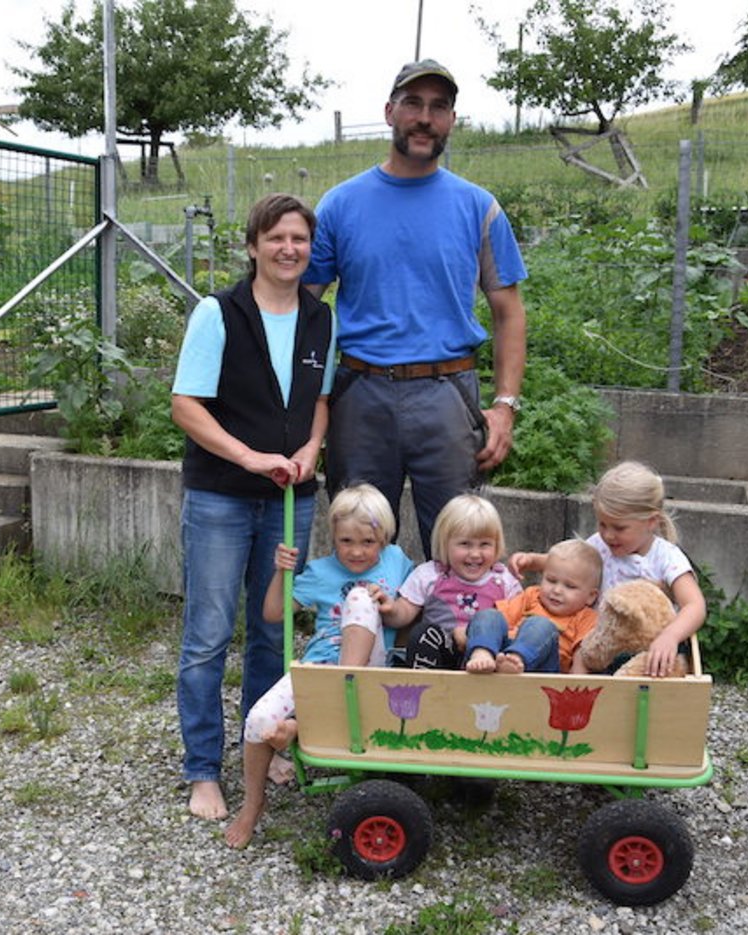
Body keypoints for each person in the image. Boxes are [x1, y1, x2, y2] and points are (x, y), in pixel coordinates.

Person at [303, 59, 528, 559]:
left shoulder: (479, 208)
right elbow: (301, 306)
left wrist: (505, 406)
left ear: (452, 120)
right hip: (360, 396)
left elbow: (508, 312)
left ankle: (448, 617)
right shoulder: (340, 205)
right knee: (358, 548)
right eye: (413, 104)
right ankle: (361, 617)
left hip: (447, 396)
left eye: (438, 107)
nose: (425, 118)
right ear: (390, 112)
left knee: (459, 550)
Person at [172, 193, 337, 821]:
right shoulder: (219, 312)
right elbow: (186, 405)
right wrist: (249, 457)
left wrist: (312, 449)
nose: (288, 249)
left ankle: (262, 746)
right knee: (209, 634)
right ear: (252, 246)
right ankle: (203, 769)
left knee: (275, 629)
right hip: (220, 496)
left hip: (289, 498)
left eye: (299, 239)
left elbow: (320, 401)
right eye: (275, 238)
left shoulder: (321, 319)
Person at [224, 483, 412, 848]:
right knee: (259, 721)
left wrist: (388, 607)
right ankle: (253, 803)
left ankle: (306, 721)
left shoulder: (396, 561)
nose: (356, 551)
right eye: (346, 541)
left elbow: (412, 612)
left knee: (360, 598)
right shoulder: (321, 571)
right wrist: (281, 572)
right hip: (320, 666)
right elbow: (273, 613)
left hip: (370, 670)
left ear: (385, 538)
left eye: (368, 542)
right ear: (333, 536)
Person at [509, 462, 708, 677]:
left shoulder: (666, 557)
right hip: (598, 646)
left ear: (651, 522)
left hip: (646, 649)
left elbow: (695, 605)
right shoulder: (599, 545)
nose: (608, 535)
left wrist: (670, 636)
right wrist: (533, 561)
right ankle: (577, 691)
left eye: (619, 528)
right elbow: (570, 563)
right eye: (602, 524)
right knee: (579, 654)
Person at [375, 494, 522, 669]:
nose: (475, 554)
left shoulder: (504, 580)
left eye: (484, 544)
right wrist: (390, 609)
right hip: (442, 655)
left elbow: (518, 625)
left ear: (497, 545)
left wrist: (474, 636)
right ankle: (423, 682)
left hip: (488, 660)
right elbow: (404, 614)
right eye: (465, 544)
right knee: (421, 633)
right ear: (445, 544)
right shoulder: (429, 574)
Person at [466, 538, 603, 675]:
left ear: (591, 596)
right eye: (551, 580)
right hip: (500, 656)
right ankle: (482, 653)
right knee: (489, 614)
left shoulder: (587, 618)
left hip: (542, 670)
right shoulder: (531, 596)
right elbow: (497, 622)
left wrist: (577, 681)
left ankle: (516, 660)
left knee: (541, 625)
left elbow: (582, 655)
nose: (557, 590)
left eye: (570, 586)